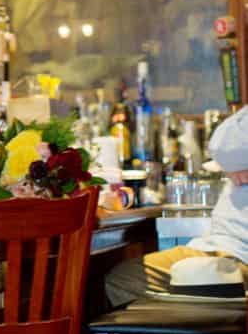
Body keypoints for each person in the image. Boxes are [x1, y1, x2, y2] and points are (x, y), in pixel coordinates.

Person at [106, 104, 248, 306]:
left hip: (236, 253)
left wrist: (231, 162)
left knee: (124, 280)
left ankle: (204, 333)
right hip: (231, 248)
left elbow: (223, 146)